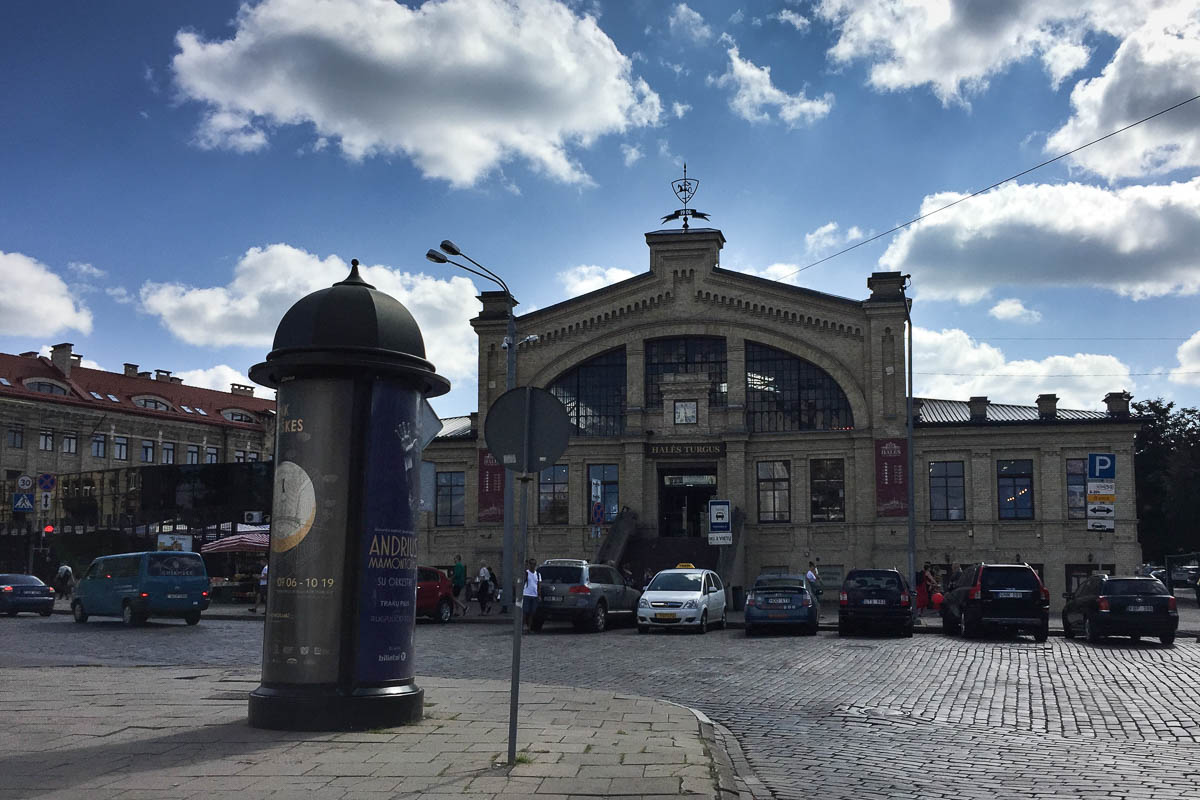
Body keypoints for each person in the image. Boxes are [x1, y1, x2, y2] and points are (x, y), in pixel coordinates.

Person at [522, 558, 541, 632]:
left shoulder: (538, 574)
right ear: (529, 565)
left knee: (532, 613)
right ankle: (522, 628)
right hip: (526, 594)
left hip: (534, 595)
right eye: (531, 564)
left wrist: (539, 595)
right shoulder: (526, 573)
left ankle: (529, 628)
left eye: (534, 564)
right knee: (525, 612)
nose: (532, 566)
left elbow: (539, 585)